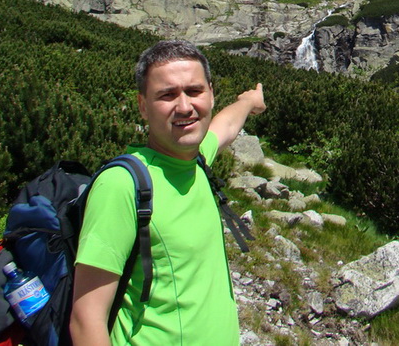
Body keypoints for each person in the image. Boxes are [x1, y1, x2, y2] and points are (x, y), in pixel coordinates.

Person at [69, 40, 266, 346]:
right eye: (167, 95)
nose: (185, 106)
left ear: (211, 95)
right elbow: (85, 319)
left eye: (195, 91)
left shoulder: (196, 159)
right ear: (143, 106)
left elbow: (225, 126)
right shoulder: (122, 185)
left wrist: (249, 101)